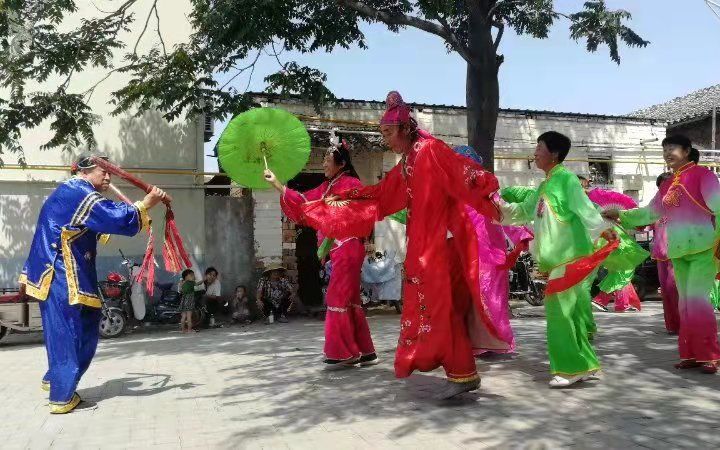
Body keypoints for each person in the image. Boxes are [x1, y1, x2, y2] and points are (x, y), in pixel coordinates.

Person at [312, 91, 501, 399]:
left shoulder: (430, 150)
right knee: (441, 309)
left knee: (441, 308)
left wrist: (487, 189)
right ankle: (462, 372)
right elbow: (384, 192)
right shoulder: (408, 161)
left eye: (388, 132)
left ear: (404, 128)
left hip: (445, 242)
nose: (385, 139)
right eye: (383, 133)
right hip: (428, 244)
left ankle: (462, 373)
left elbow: (461, 172)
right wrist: (348, 196)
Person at [19, 153, 167, 413]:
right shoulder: (79, 192)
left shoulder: (80, 193)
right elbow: (110, 216)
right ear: (84, 171)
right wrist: (144, 205)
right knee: (68, 333)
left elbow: (99, 222)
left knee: (85, 325)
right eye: (103, 171)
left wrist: (139, 213)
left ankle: (56, 378)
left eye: (110, 172)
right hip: (59, 273)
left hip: (71, 274)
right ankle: (61, 397)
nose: (108, 177)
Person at [500, 131, 617, 388]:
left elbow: (585, 209)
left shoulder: (567, 180)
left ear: (553, 154)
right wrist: (494, 206)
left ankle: (569, 368)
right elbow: (523, 211)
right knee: (570, 314)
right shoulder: (545, 185)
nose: (535, 152)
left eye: (539, 147)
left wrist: (605, 230)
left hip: (569, 259)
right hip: (556, 261)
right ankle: (583, 364)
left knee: (558, 313)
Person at [604, 136, 720, 373]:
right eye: (665, 149)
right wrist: (621, 215)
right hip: (677, 250)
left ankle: (710, 355)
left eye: (672, 148)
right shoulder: (667, 184)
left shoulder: (703, 175)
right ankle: (691, 354)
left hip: (703, 248)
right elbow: (650, 212)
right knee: (684, 304)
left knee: (697, 302)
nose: (667, 153)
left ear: (686, 151)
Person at [265, 140, 378, 367]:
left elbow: (362, 212)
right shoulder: (327, 186)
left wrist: (335, 204)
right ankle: (365, 352)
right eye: (324, 159)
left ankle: (342, 353)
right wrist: (277, 184)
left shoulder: (352, 184)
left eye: (327, 159)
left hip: (348, 246)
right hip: (339, 249)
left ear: (341, 164)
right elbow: (305, 201)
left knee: (336, 297)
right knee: (350, 299)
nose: (324, 163)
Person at [652, 172, 680, 334]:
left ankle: (685, 324)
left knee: (674, 288)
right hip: (660, 255)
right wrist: (620, 217)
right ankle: (672, 325)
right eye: (662, 186)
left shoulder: (682, 203)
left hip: (679, 253)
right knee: (667, 291)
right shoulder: (655, 207)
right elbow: (641, 222)